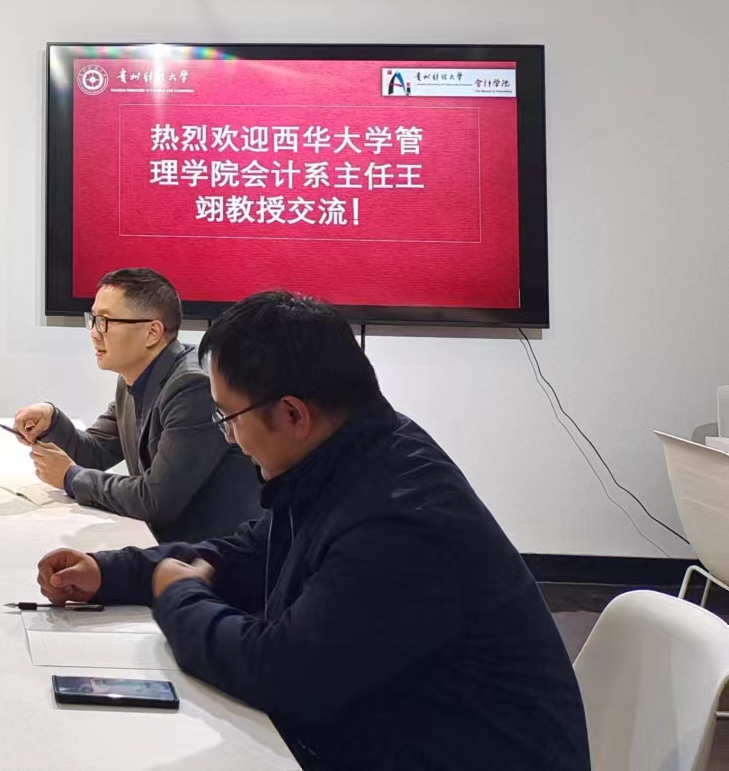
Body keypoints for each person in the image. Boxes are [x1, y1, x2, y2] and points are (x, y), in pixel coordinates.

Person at [35, 290, 589, 771]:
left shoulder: (401, 517)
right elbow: (254, 551)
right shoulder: (354, 451)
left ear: (294, 414)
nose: (231, 439)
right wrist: (115, 572)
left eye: (230, 419)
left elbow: (278, 673)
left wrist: (178, 597)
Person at [13, 268, 260, 542]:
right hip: (164, 546)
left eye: (105, 321)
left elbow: (157, 499)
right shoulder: (133, 378)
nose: (94, 333)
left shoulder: (193, 387)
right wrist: (52, 421)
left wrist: (72, 477)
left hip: (209, 555)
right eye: (93, 319)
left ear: (152, 332)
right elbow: (96, 453)